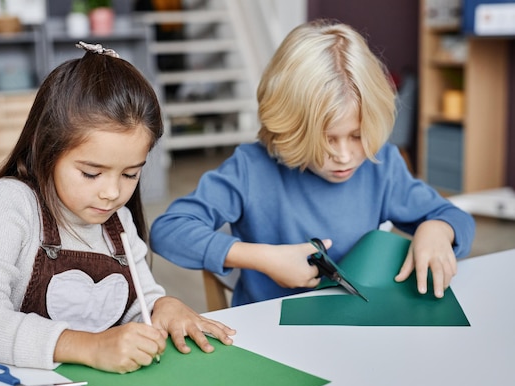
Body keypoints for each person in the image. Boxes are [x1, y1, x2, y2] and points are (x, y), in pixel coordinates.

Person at [0, 41, 235, 374]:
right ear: (46, 149)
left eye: (130, 173)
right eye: (91, 173)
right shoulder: (10, 203)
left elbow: (140, 304)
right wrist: (89, 346)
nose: (111, 193)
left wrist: (162, 305)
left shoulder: (118, 220)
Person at [150, 20, 475, 307]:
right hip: (271, 333)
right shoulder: (251, 169)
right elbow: (169, 231)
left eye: (358, 136)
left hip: (354, 322)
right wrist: (262, 258)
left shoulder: (382, 164)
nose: (345, 156)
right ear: (289, 126)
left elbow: (454, 219)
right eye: (327, 139)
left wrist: (437, 229)